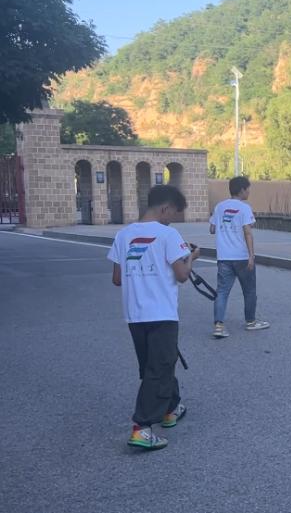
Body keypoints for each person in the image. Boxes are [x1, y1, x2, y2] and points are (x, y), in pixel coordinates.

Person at [108, 185, 200, 450]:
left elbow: (117, 279)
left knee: (156, 364)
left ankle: (171, 408)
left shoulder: (123, 235)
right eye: (173, 213)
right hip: (161, 312)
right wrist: (191, 257)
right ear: (164, 208)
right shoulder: (168, 235)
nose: (173, 219)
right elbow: (182, 275)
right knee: (160, 368)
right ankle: (142, 427)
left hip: (135, 315)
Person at [209, 176, 269, 338]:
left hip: (224, 257)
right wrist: (251, 256)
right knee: (249, 291)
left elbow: (212, 229)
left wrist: (224, 227)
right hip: (241, 256)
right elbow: (248, 232)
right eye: (248, 189)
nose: (249, 192)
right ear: (242, 190)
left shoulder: (219, 207)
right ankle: (251, 322)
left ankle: (219, 326)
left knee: (222, 291)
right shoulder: (244, 208)